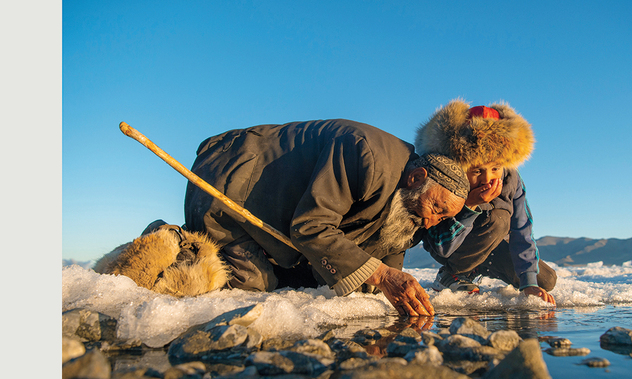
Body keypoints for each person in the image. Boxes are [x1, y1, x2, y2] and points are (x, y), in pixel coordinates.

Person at [184, 118, 471, 316]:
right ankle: (175, 242)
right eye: (437, 209)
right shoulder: (365, 155)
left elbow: (390, 249)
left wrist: (390, 288)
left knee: (317, 285)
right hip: (228, 185)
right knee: (252, 289)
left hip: (277, 215)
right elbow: (311, 226)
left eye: (443, 218)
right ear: (416, 177)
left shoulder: (410, 201)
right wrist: (383, 276)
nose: (432, 222)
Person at [414, 99, 557, 305]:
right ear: (463, 164)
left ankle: (478, 267)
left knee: (546, 280)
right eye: (478, 170)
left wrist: (529, 283)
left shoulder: (511, 180)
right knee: (497, 219)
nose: (487, 179)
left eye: (495, 168)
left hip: (489, 244)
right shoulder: (447, 178)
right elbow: (440, 246)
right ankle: (452, 274)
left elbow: (522, 230)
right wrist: (470, 205)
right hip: (450, 246)